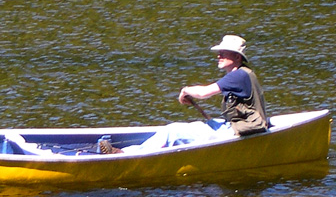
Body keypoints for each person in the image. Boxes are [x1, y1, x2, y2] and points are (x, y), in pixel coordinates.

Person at [99, 34, 269, 154]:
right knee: (177, 129)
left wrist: (186, 90)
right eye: (220, 52)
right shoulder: (240, 74)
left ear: (237, 57)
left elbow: (204, 93)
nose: (219, 55)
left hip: (240, 130)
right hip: (232, 126)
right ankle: (123, 152)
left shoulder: (238, 75)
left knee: (173, 133)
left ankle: (123, 155)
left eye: (224, 53)